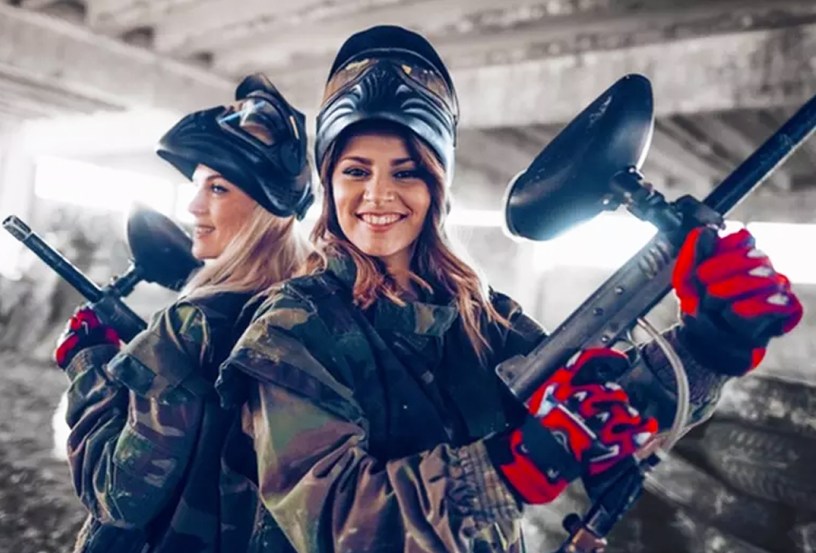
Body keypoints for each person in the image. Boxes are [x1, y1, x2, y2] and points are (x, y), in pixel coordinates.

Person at [215, 26, 804, 552]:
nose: (379, 195)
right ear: (328, 181)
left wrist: (710, 346)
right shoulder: (292, 327)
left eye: (407, 170)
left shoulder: (481, 316)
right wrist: (514, 464)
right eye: (355, 170)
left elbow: (605, 402)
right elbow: (336, 520)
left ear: (437, 186)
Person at [52, 74, 314, 553]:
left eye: (218, 188)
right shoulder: (308, 310)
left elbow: (120, 495)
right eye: (197, 186)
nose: (194, 206)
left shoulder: (191, 325)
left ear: (264, 209)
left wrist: (87, 368)